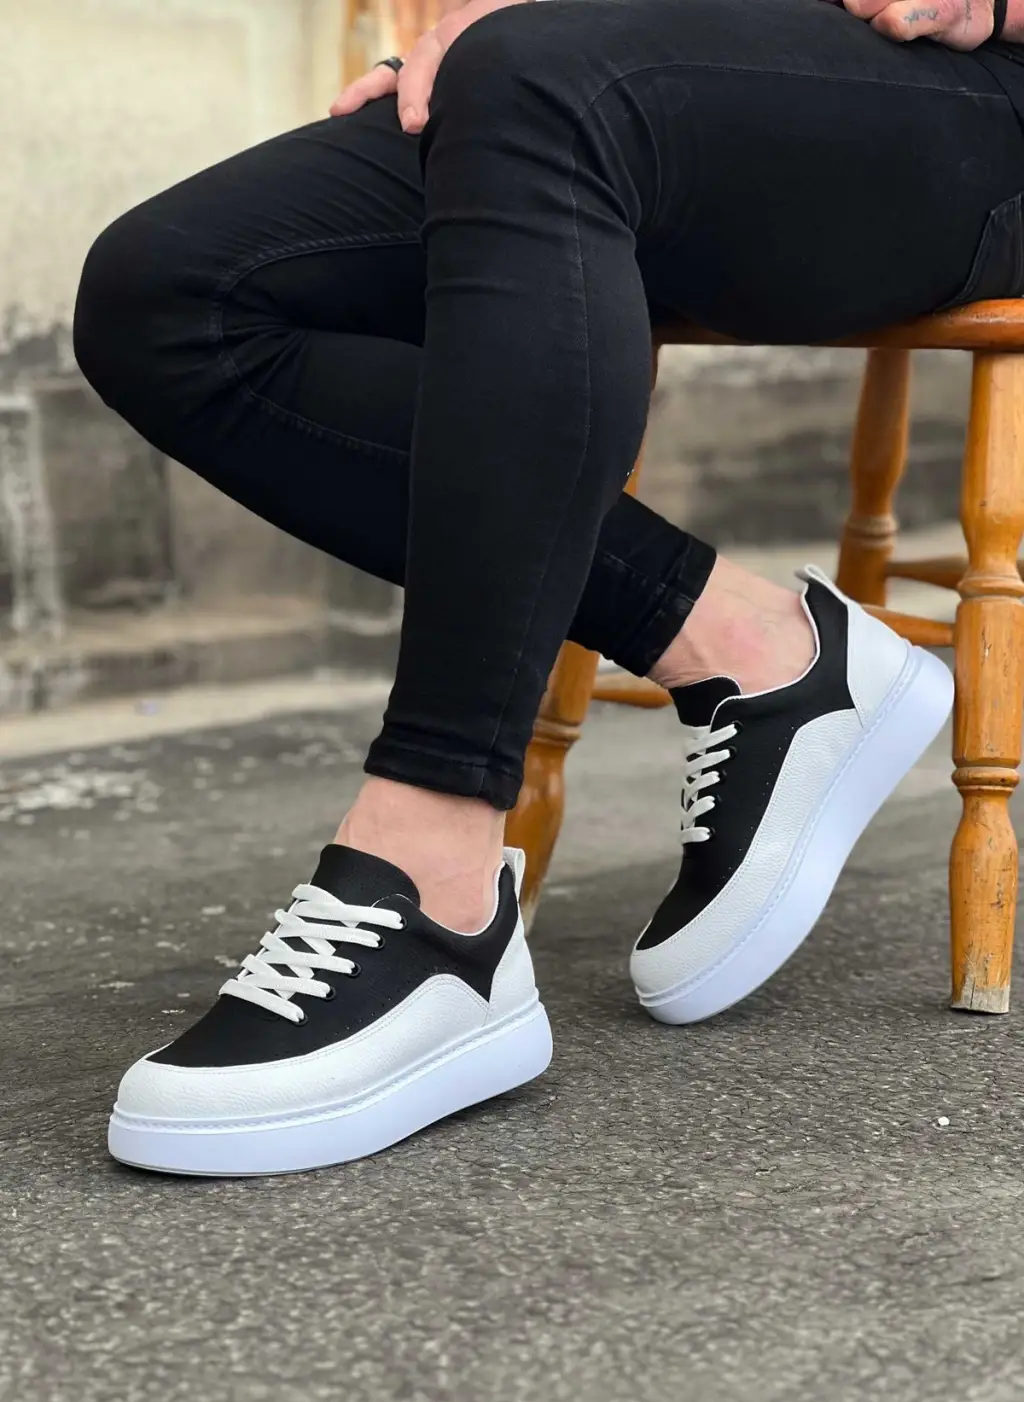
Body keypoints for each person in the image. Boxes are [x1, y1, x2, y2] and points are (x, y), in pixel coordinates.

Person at [73, 0, 1022, 1177]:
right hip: (689, 60)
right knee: (167, 290)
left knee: (543, 87)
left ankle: (436, 885)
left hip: (980, 103)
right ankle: (754, 649)